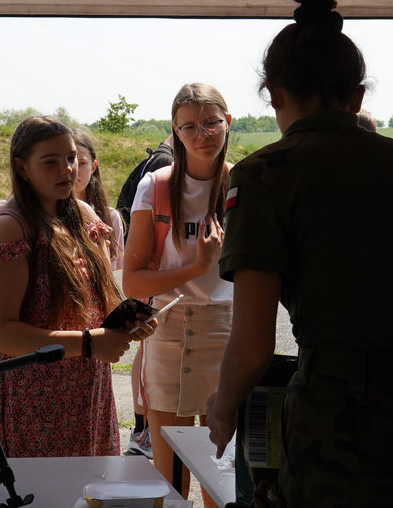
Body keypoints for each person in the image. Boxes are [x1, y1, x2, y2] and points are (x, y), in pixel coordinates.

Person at [207, 0, 393, 506]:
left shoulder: (264, 174)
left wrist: (222, 409)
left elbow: (252, 346)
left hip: (341, 424)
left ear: (273, 93)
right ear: (357, 97)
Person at [0, 115, 150, 458]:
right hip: (33, 403)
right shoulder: (9, 227)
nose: (67, 169)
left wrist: (130, 320)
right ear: (22, 168)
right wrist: (88, 343)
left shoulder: (85, 216)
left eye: (71, 158)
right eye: (50, 161)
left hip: (90, 395)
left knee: (91, 484)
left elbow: (102, 299)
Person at [122, 83, 234, 501]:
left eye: (211, 123)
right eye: (189, 126)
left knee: (221, 472)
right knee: (170, 475)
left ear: (228, 122)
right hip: (167, 329)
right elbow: (133, 282)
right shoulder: (155, 185)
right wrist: (197, 267)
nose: (202, 134)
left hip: (225, 330)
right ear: (175, 131)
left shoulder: (244, 184)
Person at [114, 133, 175, 460]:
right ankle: (143, 431)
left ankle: (143, 431)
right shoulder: (165, 164)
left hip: (150, 273)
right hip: (152, 274)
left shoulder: (158, 158)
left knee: (146, 349)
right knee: (147, 350)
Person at [72, 128, 123, 269]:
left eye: (82, 163)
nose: (74, 170)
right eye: (69, 162)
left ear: (93, 166)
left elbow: (117, 272)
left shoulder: (110, 217)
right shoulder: (46, 215)